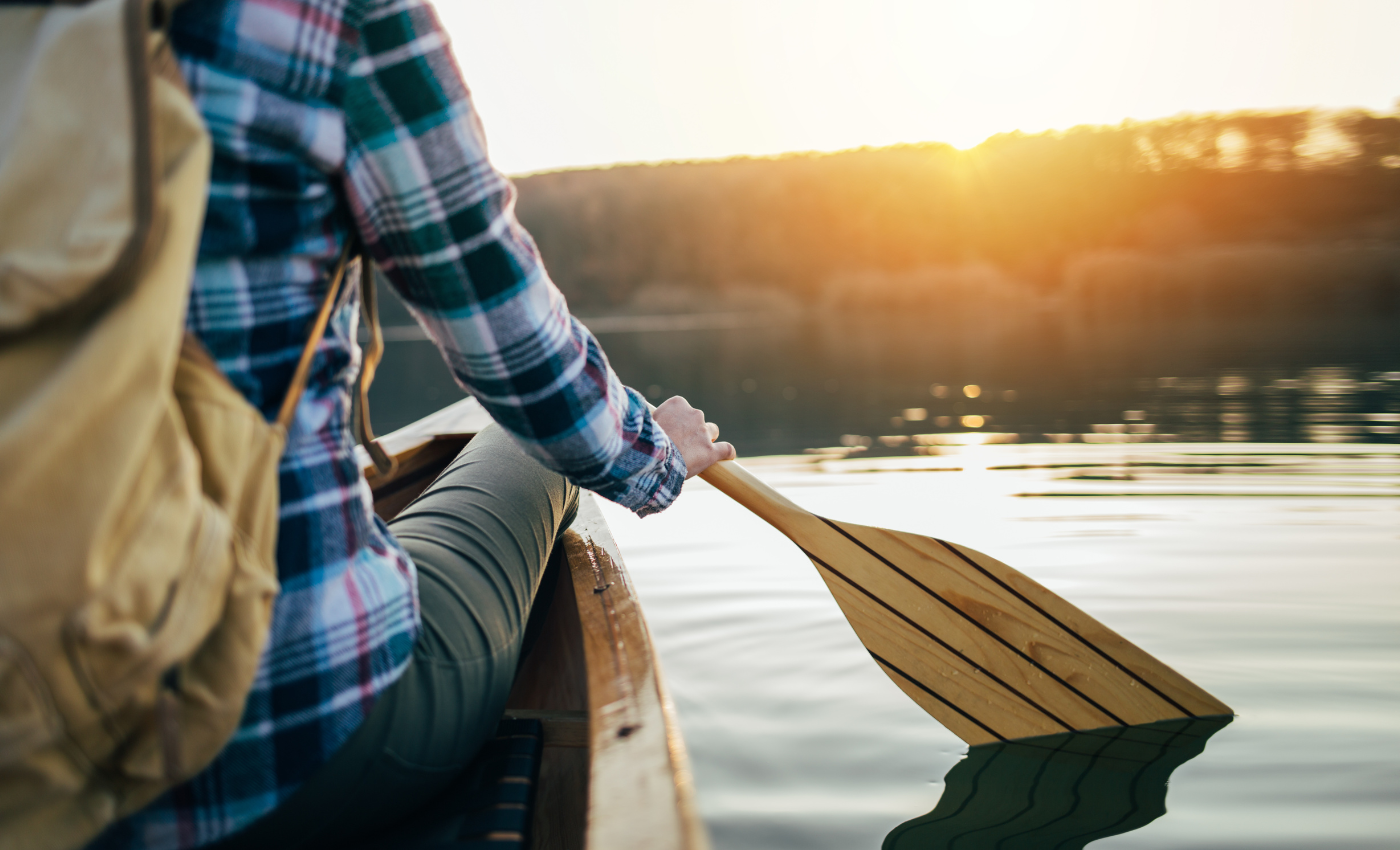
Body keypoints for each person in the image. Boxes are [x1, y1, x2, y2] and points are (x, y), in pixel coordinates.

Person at [90, 0, 735, 847]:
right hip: (269, 746)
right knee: (524, 442)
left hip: (29, 751)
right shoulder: (333, 16)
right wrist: (656, 451)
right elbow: (524, 363)